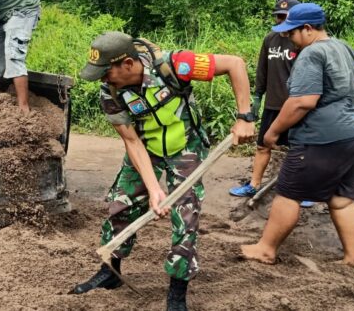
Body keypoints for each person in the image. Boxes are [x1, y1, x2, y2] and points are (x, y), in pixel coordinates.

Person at [72, 31, 256, 311]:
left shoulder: (175, 64)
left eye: (106, 72)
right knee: (121, 204)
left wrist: (245, 116)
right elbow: (131, 141)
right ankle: (111, 271)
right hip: (146, 148)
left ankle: (177, 293)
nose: (102, 79)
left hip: (186, 149)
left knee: (185, 217)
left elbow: (234, 63)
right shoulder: (109, 91)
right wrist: (154, 189)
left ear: (129, 65)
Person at [240, 3, 354, 274]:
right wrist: (343, 102)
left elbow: (302, 101)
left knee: (288, 194)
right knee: (342, 198)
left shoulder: (311, 54)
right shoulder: (341, 45)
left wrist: (273, 132)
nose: (288, 37)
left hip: (323, 139)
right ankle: (353, 259)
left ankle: (266, 250)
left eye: (291, 32)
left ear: (308, 29)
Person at [229, 0, 314, 207]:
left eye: (284, 16)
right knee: (262, 145)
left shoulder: (302, 43)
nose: (280, 19)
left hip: (295, 106)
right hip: (273, 105)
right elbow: (262, 71)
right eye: (278, 15)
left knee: (301, 149)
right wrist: (257, 98)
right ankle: (254, 184)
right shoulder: (270, 40)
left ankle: (305, 190)